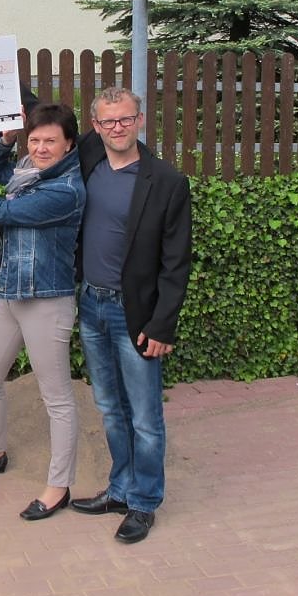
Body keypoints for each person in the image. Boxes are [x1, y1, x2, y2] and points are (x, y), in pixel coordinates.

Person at [0, 103, 86, 521]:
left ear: (69, 145)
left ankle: (58, 486)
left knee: (56, 398)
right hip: (10, 293)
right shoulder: (28, 171)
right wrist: (4, 141)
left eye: (50, 141)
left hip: (46, 300)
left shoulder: (65, 190)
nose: (41, 148)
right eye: (35, 139)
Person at [70, 86, 192, 545]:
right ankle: (120, 489)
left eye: (126, 119)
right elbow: (46, 115)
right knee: (109, 408)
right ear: (95, 126)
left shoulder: (166, 181)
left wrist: (162, 324)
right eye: (108, 121)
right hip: (91, 306)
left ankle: (144, 502)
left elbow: (176, 262)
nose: (117, 128)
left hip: (134, 313)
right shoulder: (89, 161)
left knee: (144, 417)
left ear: (140, 120)